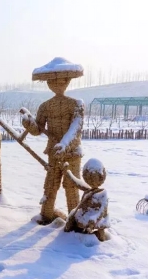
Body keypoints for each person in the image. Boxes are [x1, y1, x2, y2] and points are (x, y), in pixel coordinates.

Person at [22, 76, 85, 225]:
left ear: (68, 82)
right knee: (51, 184)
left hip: (72, 154)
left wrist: (65, 144)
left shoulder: (76, 105)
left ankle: (74, 219)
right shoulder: (45, 106)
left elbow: (76, 128)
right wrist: (29, 124)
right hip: (53, 154)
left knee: (71, 186)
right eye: (53, 81)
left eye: (62, 81)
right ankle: (46, 214)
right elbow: (38, 129)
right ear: (49, 84)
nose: (57, 84)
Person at [62, 159, 110, 242]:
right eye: (88, 178)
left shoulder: (103, 194)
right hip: (85, 213)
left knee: (95, 227)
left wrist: (94, 219)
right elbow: (77, 183)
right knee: (72, 217)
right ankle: (72, 235)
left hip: (97, 217)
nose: (92, 181)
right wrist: (68, 173)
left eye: (94, 178)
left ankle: (99, 238)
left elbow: (102, 210)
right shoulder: (88, 190)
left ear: (102, 177)